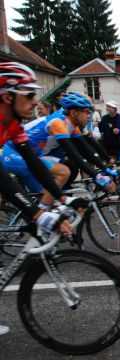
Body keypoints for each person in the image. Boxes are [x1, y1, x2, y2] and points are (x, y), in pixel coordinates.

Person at [0, 63, 87, 335]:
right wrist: (38, 213)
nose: (36, 101)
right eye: (29, 94)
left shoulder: (13, 123)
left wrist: (62, 199)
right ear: (7, 96)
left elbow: (34, 163)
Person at [2, 91, 116, 206]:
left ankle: (40, 214)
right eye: (87, 112)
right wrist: (97, 176)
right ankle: (42, 218)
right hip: (13, 155)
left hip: (32, 158)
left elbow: (86, 150)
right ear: (74, 113)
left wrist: (105, 168)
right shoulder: (57, 122)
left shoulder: (72, 125)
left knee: (50, 200)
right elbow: (74, 154)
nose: (89, 116)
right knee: (63, 172)